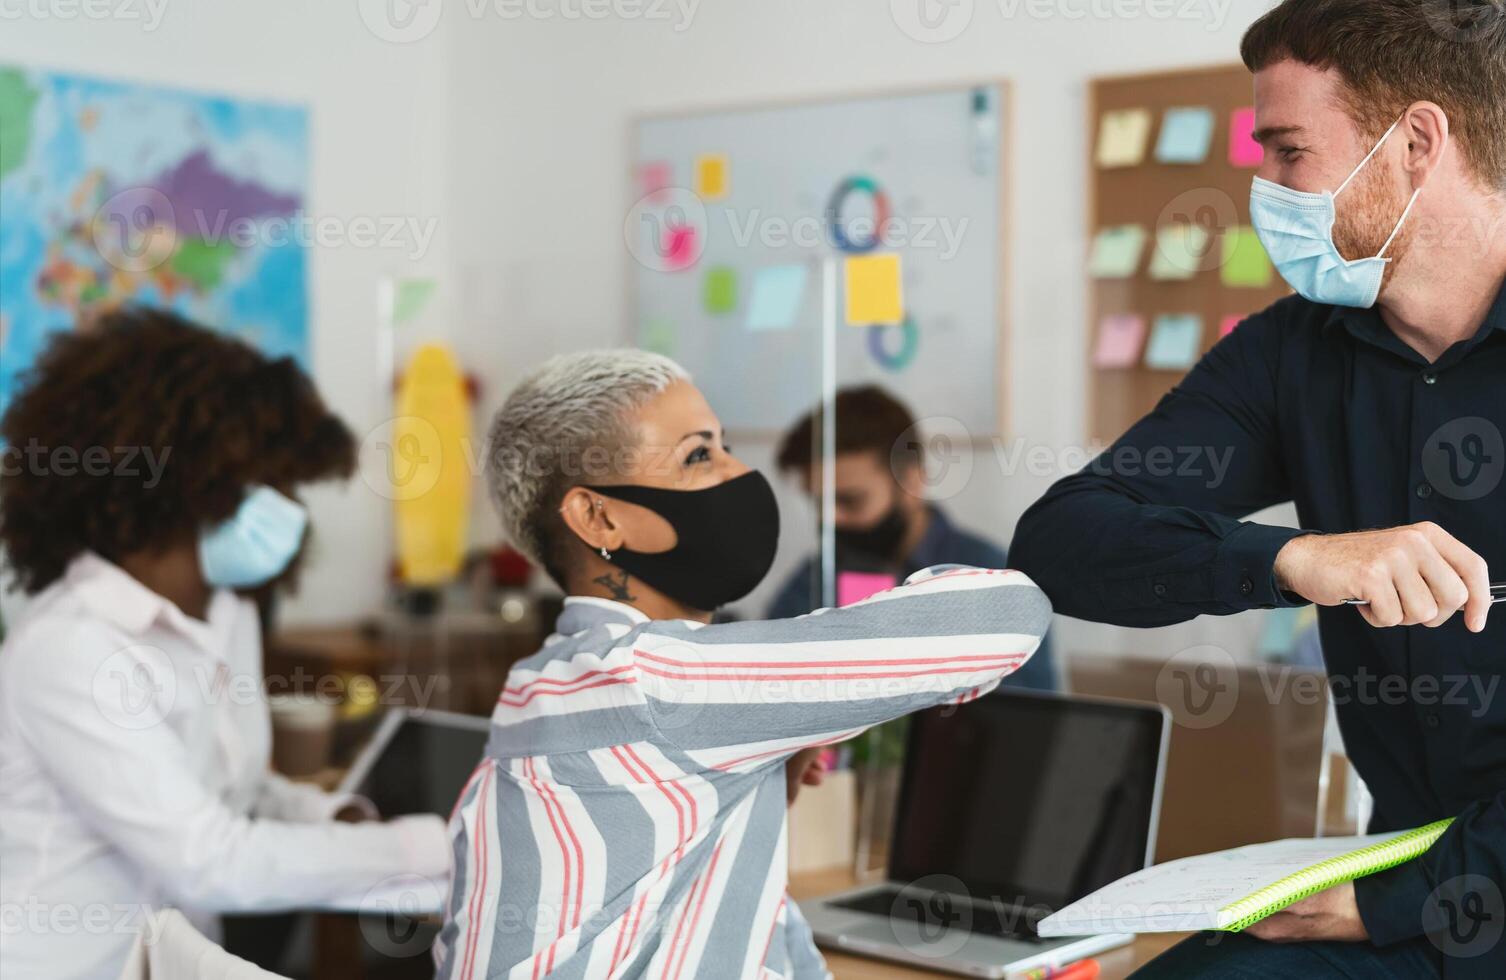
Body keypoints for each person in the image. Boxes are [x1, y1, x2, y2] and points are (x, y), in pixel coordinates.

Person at [1011, 1, 1506, 976]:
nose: (1263, 188)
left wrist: (1391, 900)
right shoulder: (1293, 354)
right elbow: (1061, 539)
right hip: (1399, 880)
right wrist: (1291, 558)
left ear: (1416, 141)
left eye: (1288, 151)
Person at [433, 350, 1052, 979]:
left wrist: (755, 781)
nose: (739, 473)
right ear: (600, 516)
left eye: (723, 445)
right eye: (699, 456)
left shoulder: (536, 682)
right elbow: (1007, 614)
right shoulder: (659, 680)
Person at [0, 308, 450, 980]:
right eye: (261, 480)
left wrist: (338, 819)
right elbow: (211, 859)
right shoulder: (71, 648)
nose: (281, 504)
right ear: (186, 483)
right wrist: (435, 848)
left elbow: (233, 791)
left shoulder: (225, 612)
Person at [767, 385, 1058, 691]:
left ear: (912, 480)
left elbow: (1028, 719)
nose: (830, 519)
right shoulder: (813, 580)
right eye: (819, 503)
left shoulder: (991, 580)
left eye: (850, 501)